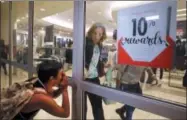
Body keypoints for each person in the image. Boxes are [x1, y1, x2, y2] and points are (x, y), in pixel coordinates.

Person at [84, 23, 107, 120]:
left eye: (100, 34)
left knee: (97, 105)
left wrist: (103, 66)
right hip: (83, 78)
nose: (97, 36)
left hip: (94, 78)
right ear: (91, 32)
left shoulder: (99, 46)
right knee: (82, 106)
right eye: (95, 33)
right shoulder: (85, 43)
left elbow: (95, 61)